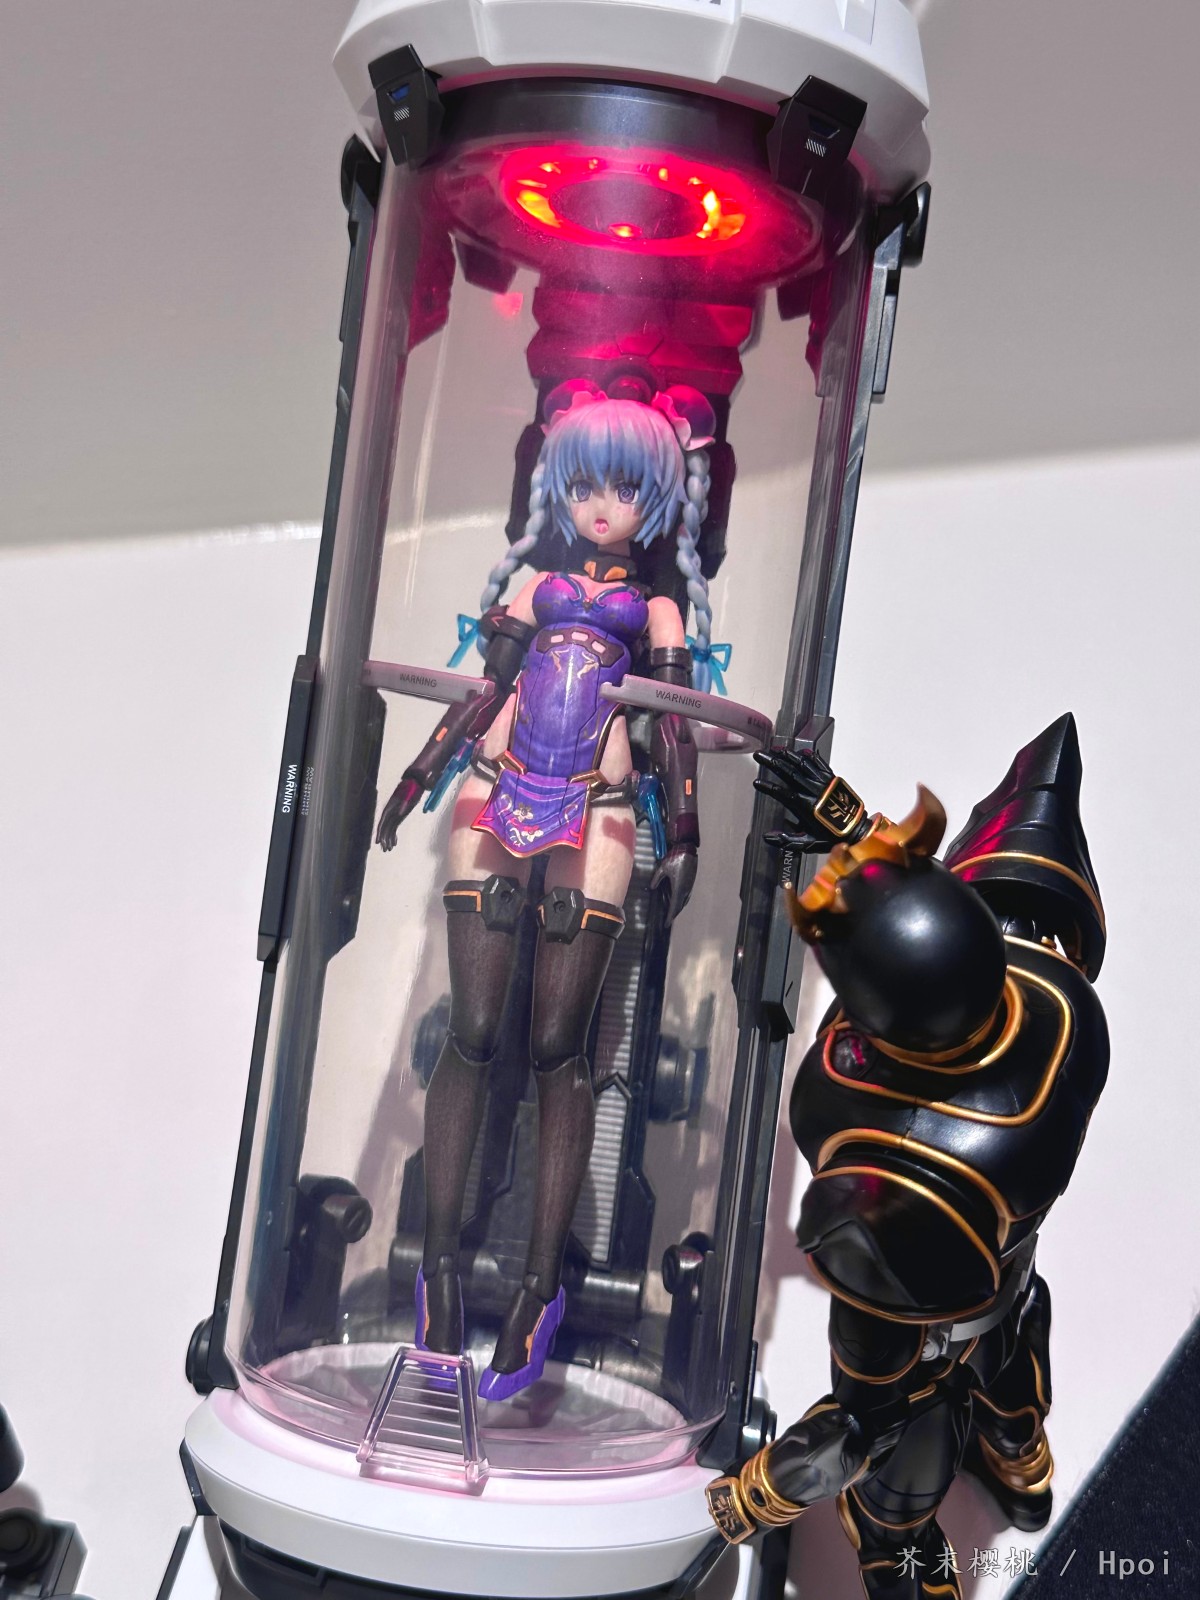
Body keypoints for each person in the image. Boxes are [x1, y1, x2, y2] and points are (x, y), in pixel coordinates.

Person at [706, 715, 1109, 1599]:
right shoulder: (1058, 1006)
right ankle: (1023, 1466)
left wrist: (749, 1499)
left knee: (893, 1529)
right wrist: (859, 835)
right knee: (1014, 1367)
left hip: (930, 1300)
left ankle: (1015, 1466)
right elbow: (951, 931)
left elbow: (858, 1422)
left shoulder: (854, 1111)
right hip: (1000, 1272)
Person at [376, 378, 714, 1399]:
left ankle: (536, 1293)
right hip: (498, 784)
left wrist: (684, 828)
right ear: (558, 490)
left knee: (562, 1046)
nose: (602, 506)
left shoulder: (657, 609)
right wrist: (414, 778)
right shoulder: (531, 590)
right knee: (474, 1030)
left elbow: (673, 723)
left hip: (599, 803)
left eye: (625, 488)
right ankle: (439, 1275)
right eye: (584, 486)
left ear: (657, 497)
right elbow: (486, 693)